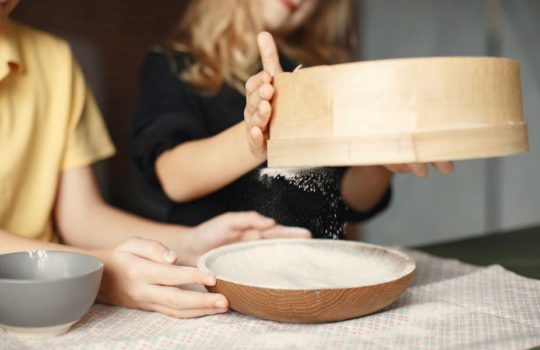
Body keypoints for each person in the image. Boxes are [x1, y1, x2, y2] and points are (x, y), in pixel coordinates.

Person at [0, 0, 310, 319]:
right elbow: (174, 175)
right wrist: (99, 272)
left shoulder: (55, 62)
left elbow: (80, 216)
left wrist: (188, 244)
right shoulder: (170, 65)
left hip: (48, 304)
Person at [131, 0, 454, 240]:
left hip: (312, 272)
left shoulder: (323, 71)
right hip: (214, 274)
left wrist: (381, 163)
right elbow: (176, 179)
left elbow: (351, 199)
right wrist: (259, 135)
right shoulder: (172, 64)